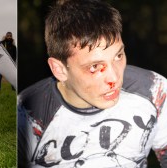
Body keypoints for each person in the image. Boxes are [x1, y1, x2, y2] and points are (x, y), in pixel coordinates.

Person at [18, 0, 167, 167]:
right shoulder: (26, 114)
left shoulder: (153, 89)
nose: (114, 78)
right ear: (59, 69)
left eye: (118, 56)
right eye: (95, 67)